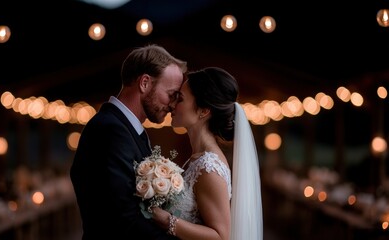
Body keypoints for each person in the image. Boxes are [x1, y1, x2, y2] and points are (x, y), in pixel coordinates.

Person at [69, 44, 187, 240]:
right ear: (145, 83)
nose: (172, 105)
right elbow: (124, 219)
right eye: (171, 94)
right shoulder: (111, 130)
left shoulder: (125, 128)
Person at [151, 67, 263, 240]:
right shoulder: (197, 158)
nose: (172, 104)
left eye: (180, 98)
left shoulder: (209, 168)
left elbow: (221, 235)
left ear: (204, 111)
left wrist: (166, 220)